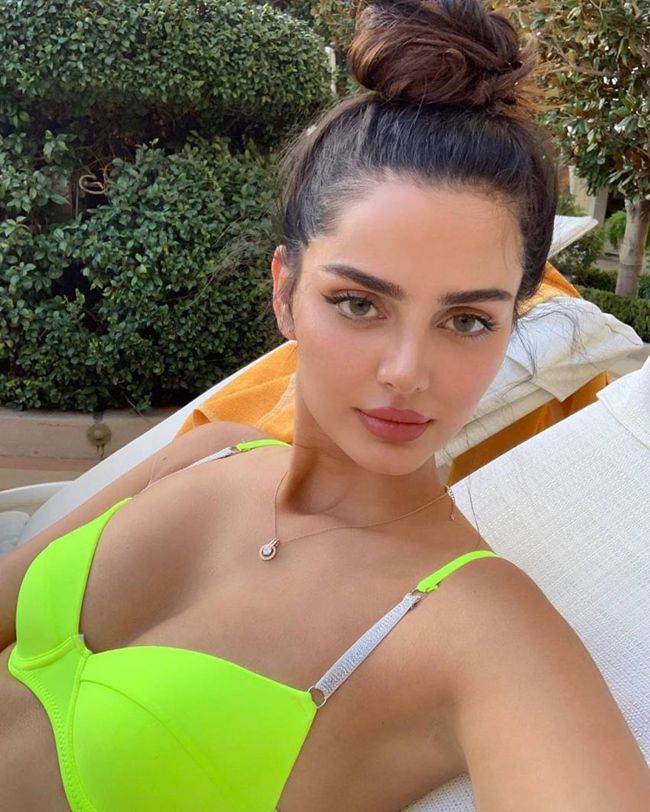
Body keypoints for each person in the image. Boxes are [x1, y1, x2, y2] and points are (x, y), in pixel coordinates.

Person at [1, 1, 648, 810]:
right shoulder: (208, 450)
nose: (406, 372)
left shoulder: (481, 630)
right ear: (286, 292)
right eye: (359, 303)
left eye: (466, 320)